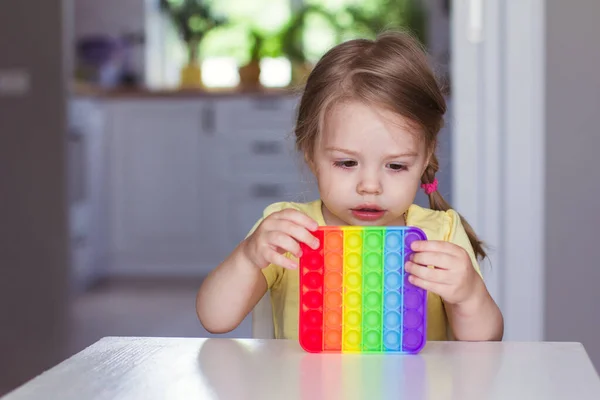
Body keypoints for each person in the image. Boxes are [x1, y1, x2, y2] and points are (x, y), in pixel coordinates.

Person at [196, 31, 504, 342]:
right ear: (311, 152)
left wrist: (469, 296)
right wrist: (249, 257)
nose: (370, 186)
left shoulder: (443, 233)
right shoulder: (290, 231)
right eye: (346, 163)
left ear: (425, 157)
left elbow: (484, 345)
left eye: (396, 166)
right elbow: (215, 319)